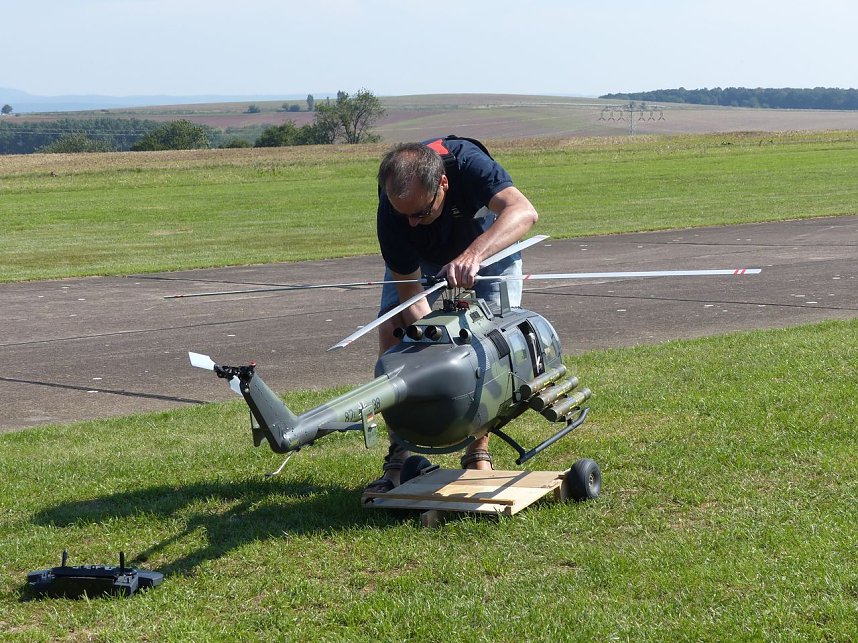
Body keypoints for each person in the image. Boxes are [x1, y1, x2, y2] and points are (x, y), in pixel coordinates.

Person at [365, 136, 539, 493]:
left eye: (420, 213)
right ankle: (400, 451)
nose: (411, 222)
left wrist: (474, 255)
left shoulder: (468, 164)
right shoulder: (393, 210)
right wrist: (435, 344)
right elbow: (409, 295)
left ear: (443, 183)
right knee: (395, 337)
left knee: (487, 346)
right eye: (403, 215)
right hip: (422, 259)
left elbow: (523, 211)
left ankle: (478, 451)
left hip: (489, 245)